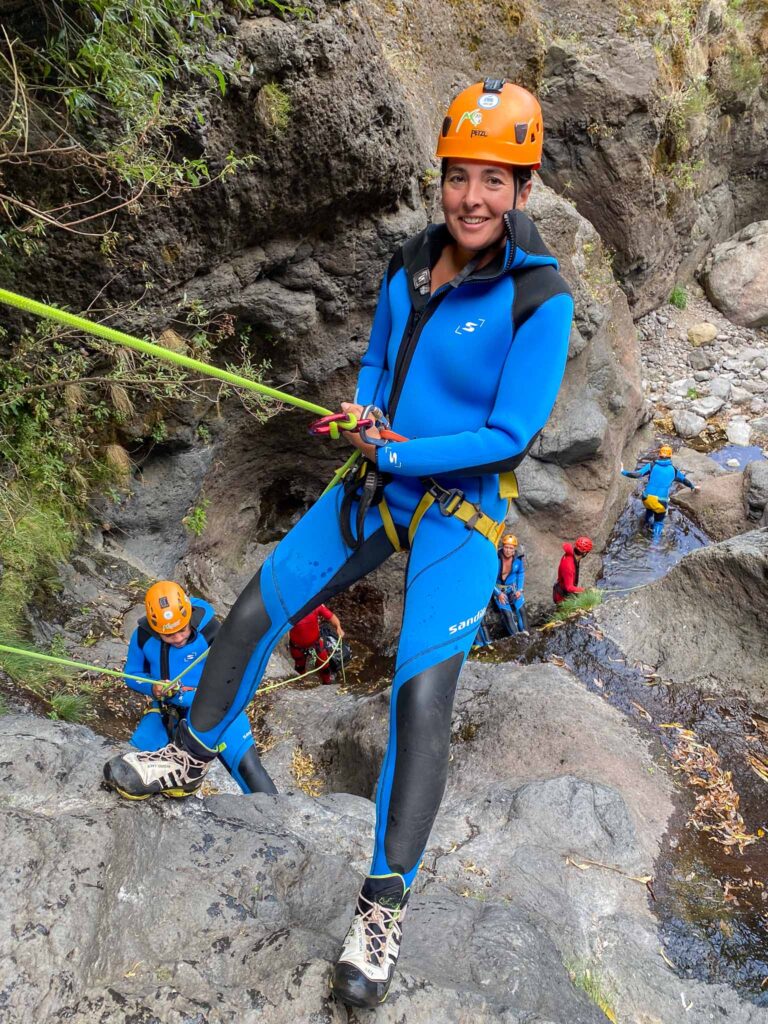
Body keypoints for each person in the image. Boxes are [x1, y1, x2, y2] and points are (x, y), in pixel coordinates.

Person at [103, 78, 573, 1008]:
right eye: (459, 177)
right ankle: (192, 754)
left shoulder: (538, 298)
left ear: (521, 189)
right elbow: (377, 357)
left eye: (494, 179)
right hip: (373, 487)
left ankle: (382, 908)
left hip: (458, 514)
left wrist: (402, 446)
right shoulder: (410, 263)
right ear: (442, 180)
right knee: (253, 608)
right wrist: (366, 411)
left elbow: (510, 434)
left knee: (420, 701)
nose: (473, 198)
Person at [116, 581, 274, 797]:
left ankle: (278, 820)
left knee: (249, 769)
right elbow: (131, 675)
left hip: (215, 709)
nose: (179, 638)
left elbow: (235, 668)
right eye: (169, 635)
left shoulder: (209, 629)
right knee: (135, 765)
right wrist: (154, 687)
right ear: (156, 629)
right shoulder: (143, 636)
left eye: (182, 630)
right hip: (166, 711)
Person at [621, 445, 699, 538]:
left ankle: (643, 527)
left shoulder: (652, 465)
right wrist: (693, 487)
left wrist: (622, 471)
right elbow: (685, 481)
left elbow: (637, 474)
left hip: (646, 498)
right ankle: (655, 545)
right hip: (660, 502)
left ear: (659, 455)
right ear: (670, 456)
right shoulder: (674, 470)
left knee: (649, 510)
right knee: (658, 522)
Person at [288, 604, 344, 684]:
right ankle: (302, 685)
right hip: (297, 647)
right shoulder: (288, 609)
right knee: (300, 668)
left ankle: (327, 683)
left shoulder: (315, 605)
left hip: (315, 644)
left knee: (325, 667)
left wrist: (338, 627)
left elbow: (331, 617)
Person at [493, 533, 528, 635]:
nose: (508, 550)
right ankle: (515, 637)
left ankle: (527, 634)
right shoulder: (496, 559)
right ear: (502, 547)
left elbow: (521, 572)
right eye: (506, 547)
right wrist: (498, 593)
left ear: (514, 549)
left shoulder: (517, 560)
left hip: (512, 588)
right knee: (507, 614)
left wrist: (519, 589)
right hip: (499, 589)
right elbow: (489, 578)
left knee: (521, 610)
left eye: (510, 548)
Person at [553, 536, 593, 603]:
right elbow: (569, 588)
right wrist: (586, 591)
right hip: (562, 597)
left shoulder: (571, 556)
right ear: (585, 553)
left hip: (562, 589)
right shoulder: (569, 565)